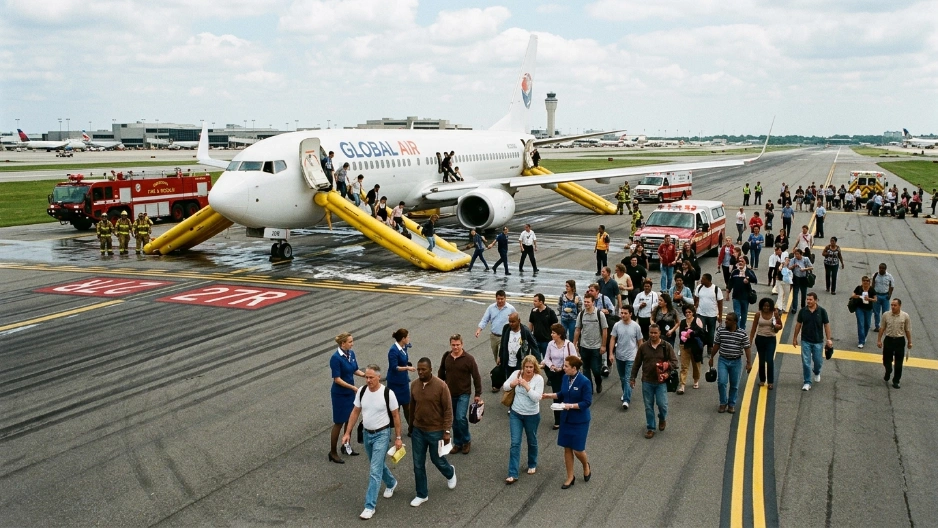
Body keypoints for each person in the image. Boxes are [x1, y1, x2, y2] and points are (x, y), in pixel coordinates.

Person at [342, 364, 403, 520]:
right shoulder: (362, 392)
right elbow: (355, 412)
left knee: (375, 470)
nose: (368, 380)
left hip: (382, 434)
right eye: (366, 377)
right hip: (367, 434)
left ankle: (370, 506)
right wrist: (347, 433)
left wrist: (398, 438)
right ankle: (391, 482)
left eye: (371, 377)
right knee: (377, 464)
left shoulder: (388, 394)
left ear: (378, 377)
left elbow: (396, 416)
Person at [408, 357, 456, 508]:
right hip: (418, 431)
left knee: (437, 460)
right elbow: (412, 407)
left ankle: (450, 472)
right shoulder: (414, 385)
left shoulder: (441, 386)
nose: (420, 372)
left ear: (430, 370)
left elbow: (448, 410)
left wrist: (446, 431)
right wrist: (410, 426)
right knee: (418, 464)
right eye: (418, 369)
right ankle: (421, 494)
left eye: (423, 369)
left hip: (436, 431)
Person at [541, 356, 592, 488]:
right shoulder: (565, 378)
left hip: (580, 420)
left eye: (566, 366)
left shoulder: (584, 382)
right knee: (567, 448)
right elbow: (562, 394)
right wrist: (549, 396)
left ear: (574, 368)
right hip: (566, 419)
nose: (564, 368)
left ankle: (585, 465)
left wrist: (571, 406)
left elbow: (587, 402)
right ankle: (570, 476)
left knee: (578, 450)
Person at [630, 324, 678, 439]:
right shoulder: (643, 347)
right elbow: (637, 363)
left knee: (662, 405)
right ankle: (651, 428)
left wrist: (667, 366)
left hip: (661, 382)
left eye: (655, 333)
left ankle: (662, 418)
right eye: (651, 333)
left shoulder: (666, 346)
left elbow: (675, 362)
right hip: (647, 381)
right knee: (648, 406)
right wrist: (632, 378)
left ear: (659, 333)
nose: (653, 335)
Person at [437, 334, 483, 454]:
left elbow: (476, 376)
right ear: (450, 344)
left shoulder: (469, 359)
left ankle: (466, 440)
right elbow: (441, 372)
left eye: (458, 345)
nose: (455, 347)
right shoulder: (446, 357)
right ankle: (458, 443)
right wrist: (439, 388)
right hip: (449, 393)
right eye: (453, 345)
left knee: (460, 417)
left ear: (462, 344)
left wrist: (477, 393)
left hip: (464, 393)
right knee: (453, 420)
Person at [502, 355, 544, 484]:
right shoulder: (517, 373)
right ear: (523, 367)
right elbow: (505, 386)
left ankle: (532, 463)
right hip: (516, 413)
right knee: (515, 443)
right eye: (526, 367)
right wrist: (512, 384)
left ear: (535, 367)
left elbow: (537, 398)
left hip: (532, 415)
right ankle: (512, 473)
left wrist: (527, 386)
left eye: (531, 367)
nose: (528, 369)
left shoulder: (538, 379)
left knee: (532, 440)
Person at [330, 332, 365, 463]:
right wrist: (353, 387)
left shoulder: (351, 354)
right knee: (339, 423)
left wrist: (366, 375)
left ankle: (346, 446)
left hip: (350, 393)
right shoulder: (335, 358)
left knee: (349, 420)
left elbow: (354, 369)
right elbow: (337, 379)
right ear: (342, 343)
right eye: (350, 342)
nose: (352, 344)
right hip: (340, 394)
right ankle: (333, 452)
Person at [709, 313, 752, 414]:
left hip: (736, 362)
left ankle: (731, 404)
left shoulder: (742, 334)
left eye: (729, 320)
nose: (726, 321)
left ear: (735, 322)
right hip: (723, 360)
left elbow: (747, 348)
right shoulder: (721, 331)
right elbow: (716, 345)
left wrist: (749, 363)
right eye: (726, 319)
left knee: (734, 384)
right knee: (722, 382)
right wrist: (712, 357)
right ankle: (723, 402)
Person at [791, 293, 832, 391]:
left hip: (818, 341)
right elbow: (798, 325)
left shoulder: (822, 311)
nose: (808, 301)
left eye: (810, 299)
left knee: (818, 361)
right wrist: (795, 338)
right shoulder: (803, 311)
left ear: (816, 300)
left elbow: (826, 325)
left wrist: (829, 339)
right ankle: (807, 382)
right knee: (806, 362)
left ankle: (817, 372)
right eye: (807, 299)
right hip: (805, 341)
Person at [542, 323, 578, 429]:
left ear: (559, 334)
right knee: (557, 396)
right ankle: (557, 420)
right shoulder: (550, 344)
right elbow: (546, 358)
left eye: (553, 333)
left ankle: (569, 417)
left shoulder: (569, 345)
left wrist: (563, 367)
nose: (551, 334)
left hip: (566, 374)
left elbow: (574, 358)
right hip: (555, 374)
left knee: (567, 395)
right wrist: (552, 366)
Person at [608, 306, 643, 409]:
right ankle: (626, 392)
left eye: (625, 313)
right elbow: (612, 339)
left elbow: (640, 342)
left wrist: (641, 356)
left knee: (627, 378)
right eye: (621, 313)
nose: (623, 315)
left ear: (630, 314)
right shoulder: (617, 325)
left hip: (631, 357)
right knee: (623, 378)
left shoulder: (636, 326)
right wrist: (611, 353)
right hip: (619, 356)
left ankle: (626, 400)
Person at [573, 293, 608, 393]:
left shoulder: (599, 314)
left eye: (588, 302)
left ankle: (598, 382)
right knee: (585, 369)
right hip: (584, 346)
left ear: (593, 303)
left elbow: (604, 330)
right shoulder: (581, 314)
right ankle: (589, 389)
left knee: (596, 369)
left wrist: (603, 345)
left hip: (596, 347)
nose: (586, 304)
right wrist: (574, 343)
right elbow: (577, 330)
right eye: (585, 302)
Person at [475, 289, 517, 366]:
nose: (500, 301)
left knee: (501, 357)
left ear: (505, 298)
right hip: (494, 336)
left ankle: (503, 370)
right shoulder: (491, 308)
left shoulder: (510, 308)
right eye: (498, 299)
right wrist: (479, 330)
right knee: (495, 355)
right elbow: (485, 319)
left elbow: (516, 321)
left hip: (505, 337)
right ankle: (499, 369)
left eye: (502, 299)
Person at [877, 299, 912, 389]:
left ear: (900, 306)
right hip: (888, 340)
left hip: (899, 341)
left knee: (899, 362)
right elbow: (882, 328)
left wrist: (910, 342)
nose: (893, 307)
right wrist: (879, 340)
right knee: (886, 360)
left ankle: (896, 380)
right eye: (892, 305)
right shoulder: (886, 315)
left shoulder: (905, 316)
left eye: (895, 305)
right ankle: (888, 370)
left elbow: (907, 329)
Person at [388, 329, 416, 436]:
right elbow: (394, 367)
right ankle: (391, 429)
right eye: (407, 337)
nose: (409, 338)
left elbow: (408, 348)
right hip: (395, 383)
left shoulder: (404, 347)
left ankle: (411, 428)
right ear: (403, 338)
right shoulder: (393, 351)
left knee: (407, 405)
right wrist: (407, 368)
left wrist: (406, 364)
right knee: (395, 408)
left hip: (403, 381)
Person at [749, 298, 782, 390]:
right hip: (760, 338)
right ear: (761, 306)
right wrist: (750, 340)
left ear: (771, 306)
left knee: (770, 360)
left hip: (771, 339)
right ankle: (762, 380)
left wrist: (777, 321)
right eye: (764, 306)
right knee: (761, 360)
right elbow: (753, 328)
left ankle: (770, 382)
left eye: (768, 306)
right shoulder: (758, 314)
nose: (766, 308)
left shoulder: (774, 314)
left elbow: (780, 326)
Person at [498, 312, 539, 382]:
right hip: (508, 362)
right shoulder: (506, 328)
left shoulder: (525, 331)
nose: (511, 324)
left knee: (519, 381)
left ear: (519, 321)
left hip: (520, 362)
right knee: (509, 381)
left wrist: (537, 361)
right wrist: (499, 356)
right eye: (510, 321)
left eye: (513, 322)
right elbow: (502, 343)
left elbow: (534, 345)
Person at [694, 273, 724, 356]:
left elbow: (720, 303)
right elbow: (696, 299)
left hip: (712, 315)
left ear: (708, 280)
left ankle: (710, 347)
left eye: (703, 279)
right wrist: (695, 308)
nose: (701, 280)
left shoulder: (716, 289)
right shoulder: (699, 287)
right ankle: (701, 346)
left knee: (711, 333)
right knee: (701, 331)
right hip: (700, 314)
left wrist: (720, 315)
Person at [678, 305, 706, 392]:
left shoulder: (697, 320)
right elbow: (680, 334)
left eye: (689, 312)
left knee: (696, 365)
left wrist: (692, 333)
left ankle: (696, 380)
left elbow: (702, 332)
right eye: (686, 312)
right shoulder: (683, 322)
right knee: (684, 366)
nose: (688, 314)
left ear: (693, 312)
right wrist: (684, 335)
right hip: (684, 346)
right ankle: (682, 385)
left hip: (695, 346)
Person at [728, 257, 758, 330]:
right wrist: (727, 292)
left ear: (745, 263)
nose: (740, 262)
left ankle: (742, 329)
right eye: (739, 261)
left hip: (745, 297)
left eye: (742, 261)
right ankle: (737, 329)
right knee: (737, 314)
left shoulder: (749, 271)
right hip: (736, 297)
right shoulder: (735, 271)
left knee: (744, 314)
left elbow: (755, 280)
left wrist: (748, 278)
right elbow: (730, 282)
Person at [529, 293, 559, 361]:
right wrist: (529, 335)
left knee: (547, 361)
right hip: (536, 341)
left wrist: (554, 339)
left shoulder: (550, 312)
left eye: (535, 301)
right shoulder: (533, 311)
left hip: (546, 341)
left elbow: (555, 326)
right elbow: (531, 324)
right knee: (535, 361)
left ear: (541, 302)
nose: (533, 303)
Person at [851, 276, 877, 348]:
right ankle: (861, 341)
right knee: (861, 324)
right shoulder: (859, 288)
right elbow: (852, 295)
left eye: (867, 281)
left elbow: (875, 299)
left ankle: (864, 336)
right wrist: (858, 296)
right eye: (864, 281)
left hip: (868, 309)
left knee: (867, 324)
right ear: (862, 281)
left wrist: (869, 299)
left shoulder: (871, 289)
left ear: (869, 282)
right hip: (859, 308)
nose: (865, 282)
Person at [788, 248, 813, 313]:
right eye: (795, 254)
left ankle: (803, 307)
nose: (796, 256)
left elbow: (811, 267)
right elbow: (789, 268)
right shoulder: (793, 260)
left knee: (804, 293)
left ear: (801, 254)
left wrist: (804, 269)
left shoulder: (806, 259)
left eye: (798, 254)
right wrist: (793, 266)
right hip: (796, 278)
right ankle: (794, 308)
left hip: (803, 278)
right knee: (795, 294)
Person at [871, 263, 895, 332]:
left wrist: (889, 295)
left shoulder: (889, 276)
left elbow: (892, 286)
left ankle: (884, 327)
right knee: (876, 312)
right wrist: (872, 295)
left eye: (883, 268)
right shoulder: (875, 275)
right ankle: (877, 326)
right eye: (880, 268)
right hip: (877, 296)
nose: (881, 269)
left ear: (885, 269)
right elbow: (872, 285)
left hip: (885, 296)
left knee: (885, 313)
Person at [558, 280, 583, 344]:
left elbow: (580, 307)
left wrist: (578, 316)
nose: (566, 287)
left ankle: (571, 347)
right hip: (564, 319)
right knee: (563, 335)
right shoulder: (562, 296)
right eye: (566, 286)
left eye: (568, 286)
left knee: (572, 336)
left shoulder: (576, 297)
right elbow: (560, 305)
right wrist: (561, 313)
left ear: (572, 287)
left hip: (573, 320)